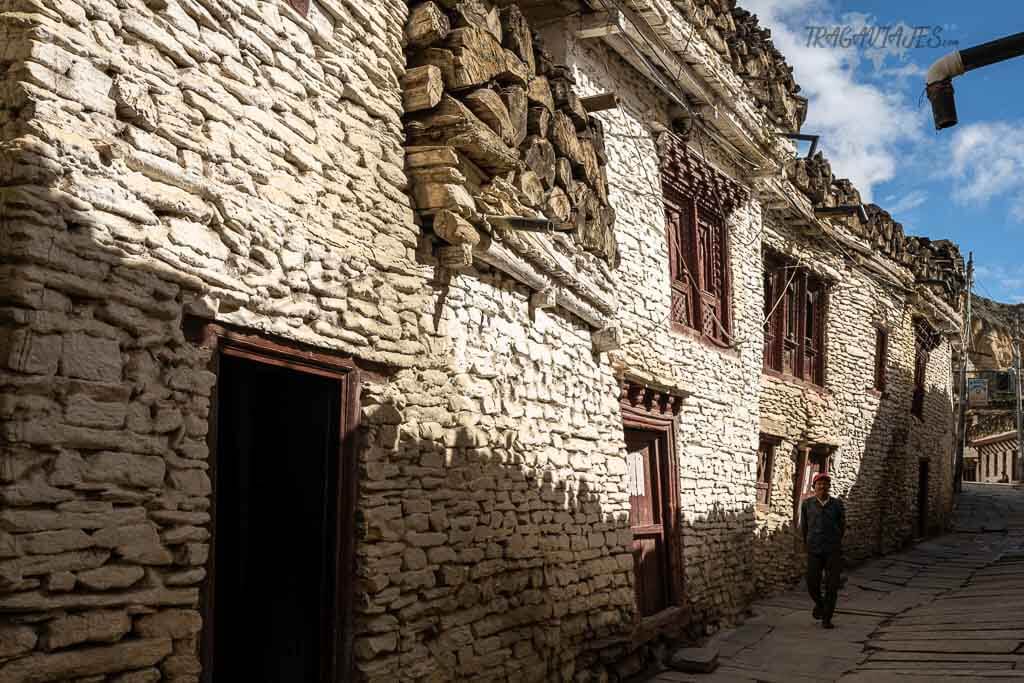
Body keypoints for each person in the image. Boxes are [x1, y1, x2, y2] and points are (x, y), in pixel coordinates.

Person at [800, 472, 845, 629]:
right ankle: (820, 604)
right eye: (819, 484)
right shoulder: (807, 504)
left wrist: (836, 541)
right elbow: (804, 527)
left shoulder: (837, 504)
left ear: (829, 486)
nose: (822, 486)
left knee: (832, 585)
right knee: (812, 583)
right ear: (814, 487)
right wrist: (806, 545)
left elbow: (842, 526)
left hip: (833, 550)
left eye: (825, 483)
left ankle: (827, 618)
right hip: (814, 549)